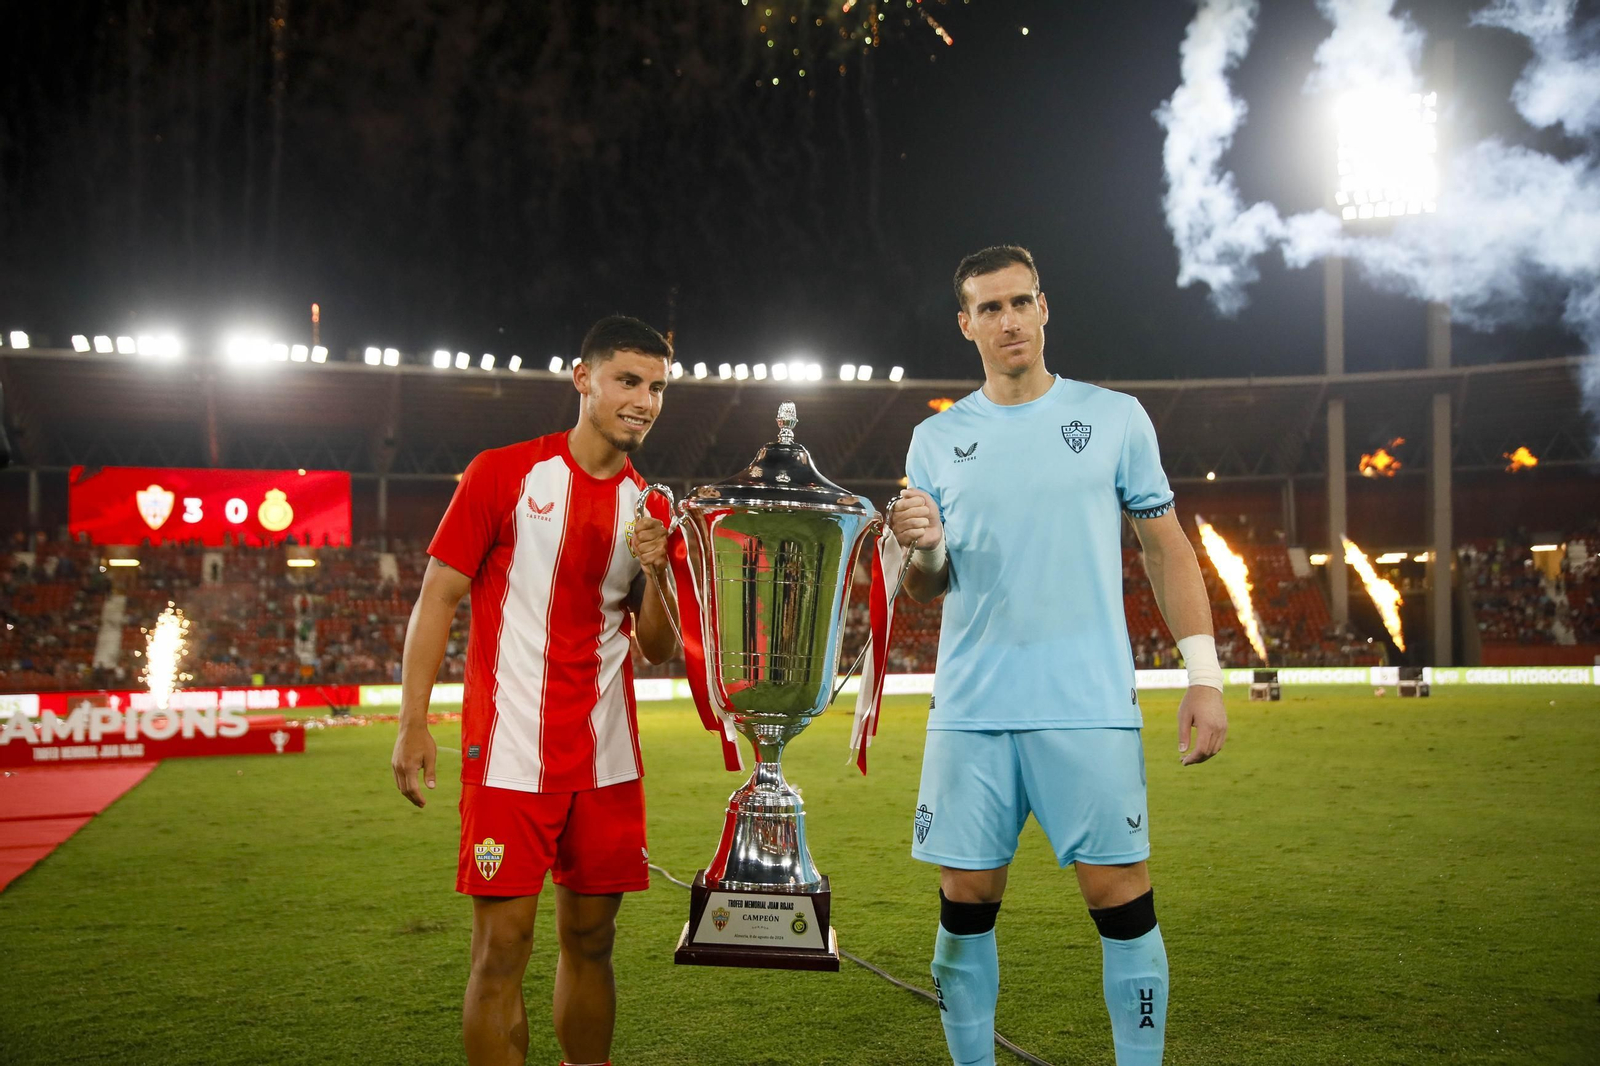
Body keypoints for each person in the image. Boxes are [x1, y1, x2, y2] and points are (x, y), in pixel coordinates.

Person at [888, 246, 1228, 1066]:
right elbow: (922, 586)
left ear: (1045, 308)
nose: (1009, 320)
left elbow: (1166, 549)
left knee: (1120, 897)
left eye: (1021, 302)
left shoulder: (1114, 418)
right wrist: (926, 550)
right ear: (965, 323)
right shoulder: (935, 439)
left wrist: (1205, 676)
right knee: (964, 899)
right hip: (971, 709)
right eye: (990, 308)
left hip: (1086, 702)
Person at [390, 314, 679, 1066]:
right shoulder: (504, 474)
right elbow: (437, 598)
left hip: (608, 759)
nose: (644, 400)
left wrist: (661, 569)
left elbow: (655, 645)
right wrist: (412, 722)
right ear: (582, 380)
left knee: (593, 940)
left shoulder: (652, 508)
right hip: (512, 754)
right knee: (503, 948)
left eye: (656, 386)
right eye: (627, 380)